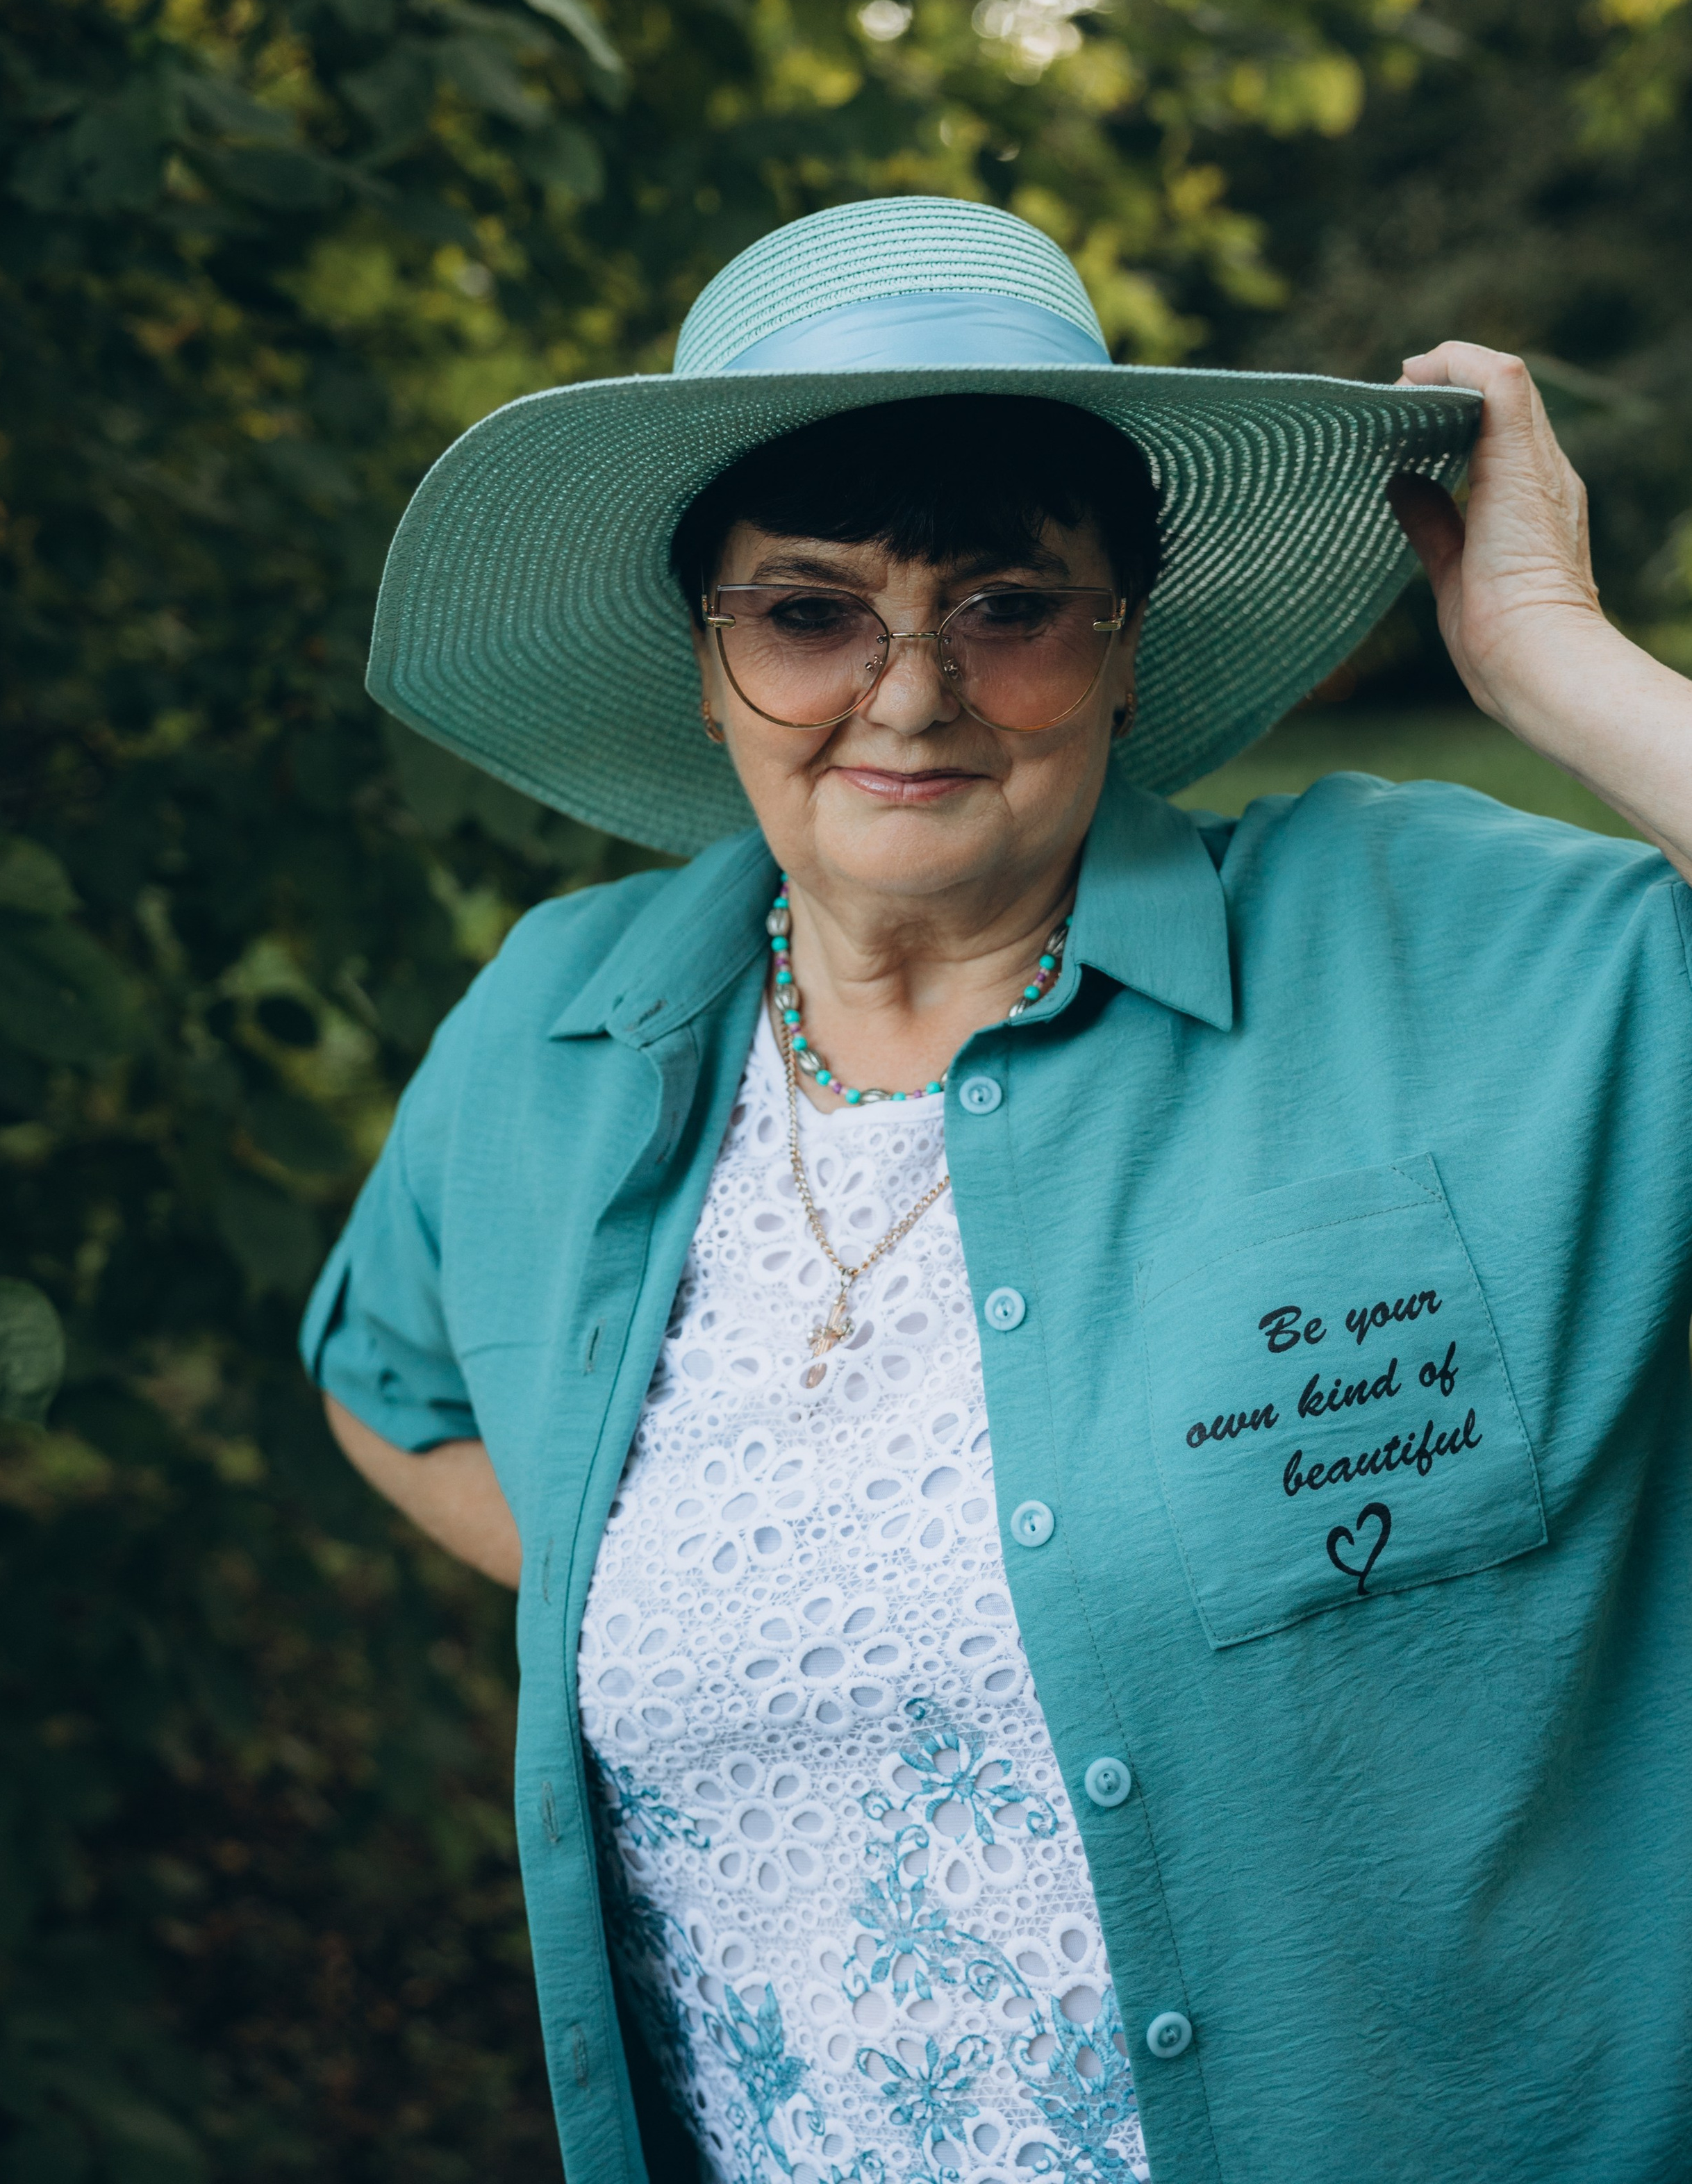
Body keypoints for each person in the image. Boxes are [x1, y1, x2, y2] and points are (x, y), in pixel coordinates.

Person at [301, 197, 1692, 2184]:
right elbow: (385, 1373)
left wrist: (1550, 656)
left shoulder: (1433, 954)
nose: (912, 691)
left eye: (1007, 606)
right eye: (808, 613)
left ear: (1129, 650)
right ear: (703, 674)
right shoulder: (560, 1031)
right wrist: (678, 1575)